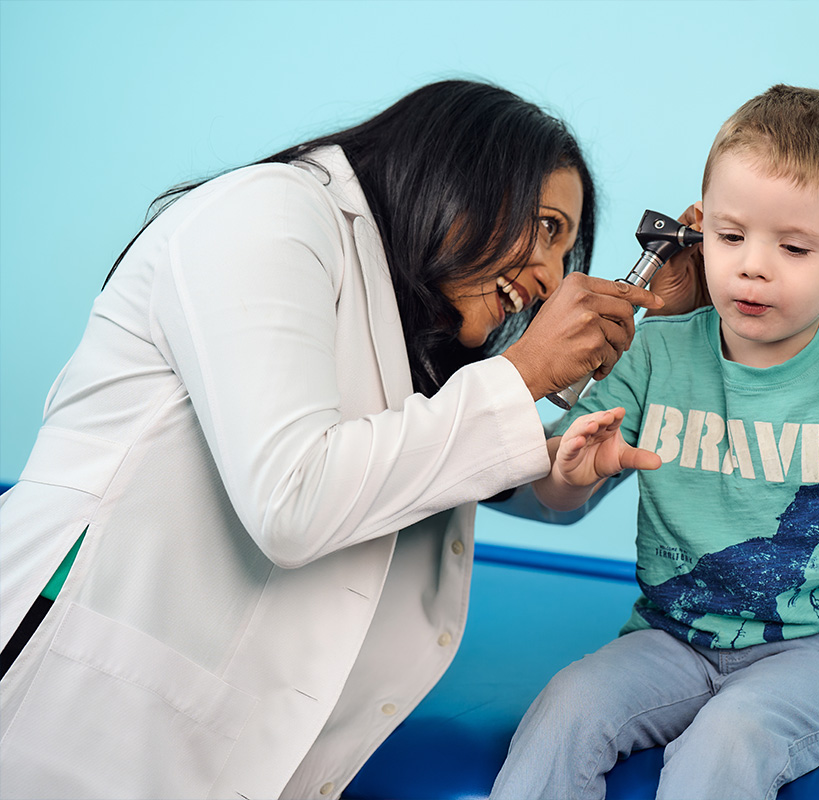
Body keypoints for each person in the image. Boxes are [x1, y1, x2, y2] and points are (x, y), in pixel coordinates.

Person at [0, 79, 671, 799]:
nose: (549, 277)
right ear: (461, 168)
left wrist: (569, 455)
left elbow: (432, 457)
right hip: (75, 701)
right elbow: (292, 497)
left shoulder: (410, 318)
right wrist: (523, 375)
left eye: (565, 250)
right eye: (545, 228)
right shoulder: (267, 214)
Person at [489, 85, 819, 800]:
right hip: (670, 636)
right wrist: (574, 474)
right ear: (700, 233)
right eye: (731, 238)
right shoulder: (650, 356)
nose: (753, 266)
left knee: (725, 742)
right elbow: (553, 493)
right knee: (565, 708)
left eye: (793, 247)